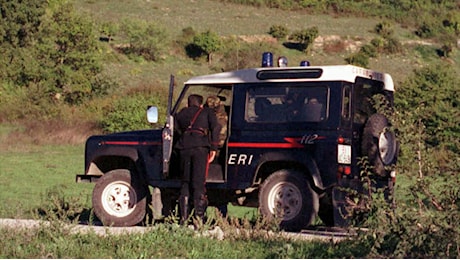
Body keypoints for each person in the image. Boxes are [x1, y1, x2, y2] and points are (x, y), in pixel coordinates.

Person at [174, 94, 220, 225]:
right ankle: (199, 218)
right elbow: (216, 128)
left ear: (188, 103)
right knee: (199, 183)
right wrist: (214, 148)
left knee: (185, 182)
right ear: (200, 104)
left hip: (183, 148)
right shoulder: (207, 112)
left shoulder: (181, 114)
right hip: (200, 148)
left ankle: (183, 218)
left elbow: (176, 130)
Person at [205, 95, 229, 217]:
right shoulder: (225, 115)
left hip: (215, 150)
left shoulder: (211, 118)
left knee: (209, 184)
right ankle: (222, 214)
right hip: (221, 149)